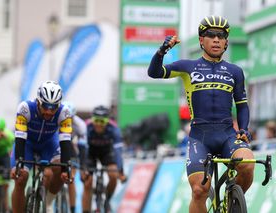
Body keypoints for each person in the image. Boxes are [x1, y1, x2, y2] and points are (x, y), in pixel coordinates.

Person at [148, 15, 254, 213]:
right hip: (200, 137)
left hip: (227, 134)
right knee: (199, 190)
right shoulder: (187, 67)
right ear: (201, 40)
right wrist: (162, 51)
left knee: (248, 164)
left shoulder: (235, 71)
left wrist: (244, 129)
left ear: (226, 42)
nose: (216, 39)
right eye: (210, 35)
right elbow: (154, 72)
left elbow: (242, 105)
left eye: (221, 36)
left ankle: (232, 199)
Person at [10, 80, 73, 213]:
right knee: (21, 179)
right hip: (27, 143)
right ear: (38, 101)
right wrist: (18, 163)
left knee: (60, 169)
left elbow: (65, 142)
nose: (49, 112)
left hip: (49, 143)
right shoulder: (25, 108)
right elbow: (20, 137)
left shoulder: (64, 112)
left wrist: (65, 169)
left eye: (53, 107)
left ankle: (49, 202)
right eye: (45, 106)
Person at [81, 105, 126, 213]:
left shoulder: (114, 128)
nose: (99, 125)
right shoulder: (86, 126)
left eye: (102, 122)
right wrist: (83, 168)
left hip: (106, 152)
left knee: (113, 176)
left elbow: (118, 151)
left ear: (108, 121)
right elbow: (83, 150)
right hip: (90, 152)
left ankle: (107, 200)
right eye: (96, 121)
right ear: (92, 119)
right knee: (87, 183)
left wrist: (120, 170)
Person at [63, 101, 88, 213]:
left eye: (71, 117)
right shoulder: (57, 119)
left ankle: (72, 209)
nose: (68, 119)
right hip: (56, 144)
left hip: (70, 146)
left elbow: (82, 148)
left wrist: (82, 166)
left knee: (71, 179)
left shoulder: (80, 125)